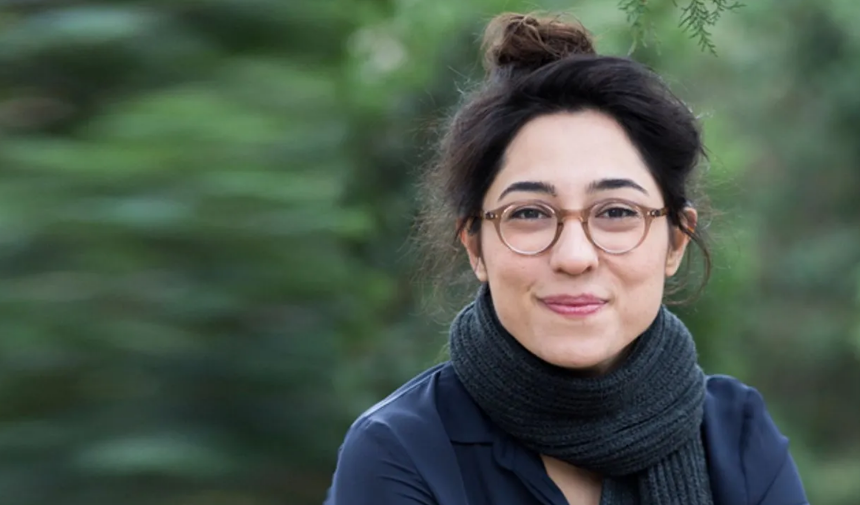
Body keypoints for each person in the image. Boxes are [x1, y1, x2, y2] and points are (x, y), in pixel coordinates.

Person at [324, 12, 807, 505]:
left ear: (676, 242)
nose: (575, 257)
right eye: (529, 213)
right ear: (475, 246)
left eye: (616, 212)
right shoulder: (401, 451)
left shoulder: (737, 436)